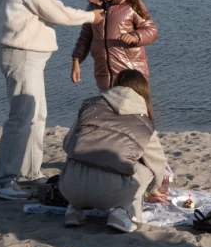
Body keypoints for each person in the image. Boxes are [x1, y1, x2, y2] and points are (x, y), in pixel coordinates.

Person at [0, 0, 104, 200]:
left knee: (37, 116)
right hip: (22, 54)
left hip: (25, 55)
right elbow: (56, 11)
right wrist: (91, 16)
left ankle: (29, 172)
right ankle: (2, 181)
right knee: (21, 118)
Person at [60, 69, 167, 233]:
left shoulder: (90, 106)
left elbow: (68, 145)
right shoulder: (144, 122)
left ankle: (74, 210)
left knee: (77, 158)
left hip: (69, 187)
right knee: (148, 170)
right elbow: (158, 163)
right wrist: (153, 189)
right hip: (110, 193)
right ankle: (122, 212)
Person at [71, 0, 158, 92]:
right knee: (107, 112)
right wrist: (76, 60)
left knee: (133, 112)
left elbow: (151, 30)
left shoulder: (132, 3)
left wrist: (135, 36)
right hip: (104, 77)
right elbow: (85, 36)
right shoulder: (93, 6)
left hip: (132, 75)